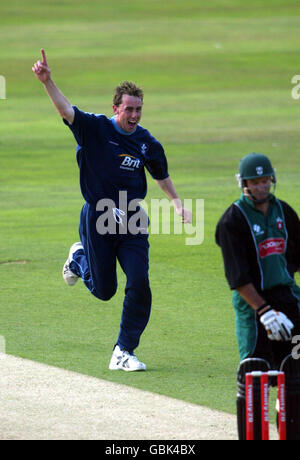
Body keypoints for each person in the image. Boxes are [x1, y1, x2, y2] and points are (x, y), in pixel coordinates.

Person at [32, 49, 192, 372]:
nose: (134, 116)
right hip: (98, 218)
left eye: (139, 110)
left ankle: (123, 350)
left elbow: (161, 176)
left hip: (132, 220)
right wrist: (48, 82)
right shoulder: (95, 129)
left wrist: (177, 203)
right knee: (105, 291)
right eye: (129, 109)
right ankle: (79, 259)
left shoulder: (147, 142)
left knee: (140, 282)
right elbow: (65, 109)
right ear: (116, 108)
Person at [215, 152, 300, 439]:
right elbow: (237, 278)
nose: (261, 187)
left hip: (288, 301)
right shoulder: (232, 221)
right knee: (255, 373)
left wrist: (283, 278)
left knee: (295, 370)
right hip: (253, 309)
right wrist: (264, 311)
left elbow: (295, 255)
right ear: (244, 184)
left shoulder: (284, 212)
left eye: (265, 181)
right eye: (255, 182)